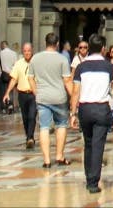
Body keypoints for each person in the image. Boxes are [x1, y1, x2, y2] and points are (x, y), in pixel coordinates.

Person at [71, 35, 113, 195]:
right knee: (98, 145)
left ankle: (89, 177)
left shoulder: (81, 67)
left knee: (88, 143)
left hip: (85, 109)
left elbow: (75, 91)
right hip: (101, 108)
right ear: (103, 48)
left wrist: (72, 113)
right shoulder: (109, 67)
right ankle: (93, 182)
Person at [32, 33, 74, 167]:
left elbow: (30, 78)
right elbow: (67, 80)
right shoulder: (62, 59)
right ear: (57, 44)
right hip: (59, 97)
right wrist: (74, 96)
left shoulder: (35, 58)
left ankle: (46, 160)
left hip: (42, 97)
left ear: (45, 43)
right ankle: (59, 156)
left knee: (44, 127)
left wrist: (36, 92)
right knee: (61, 125)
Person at [3, 42, 36, 147]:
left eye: (29, 51)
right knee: (25, 117)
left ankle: (30, 137)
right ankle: (28, 135)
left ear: (32, 51)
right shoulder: (18, 63)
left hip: (33, 94)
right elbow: (13, 79)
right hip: (22, 94)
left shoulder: (36, 63)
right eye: (25, 51)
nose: (27, 53)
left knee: (32, 116)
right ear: (23, 51)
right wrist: (7, 93)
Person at [0, 41, 18, 114]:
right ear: (7, 45)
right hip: (11, 75)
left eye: (1, 46)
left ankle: (4, 107)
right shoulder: (14, 53)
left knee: (2, 91)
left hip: (2, 75)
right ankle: (10, 105)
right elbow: (16, 65)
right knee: (10, 90)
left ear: (2, 45)